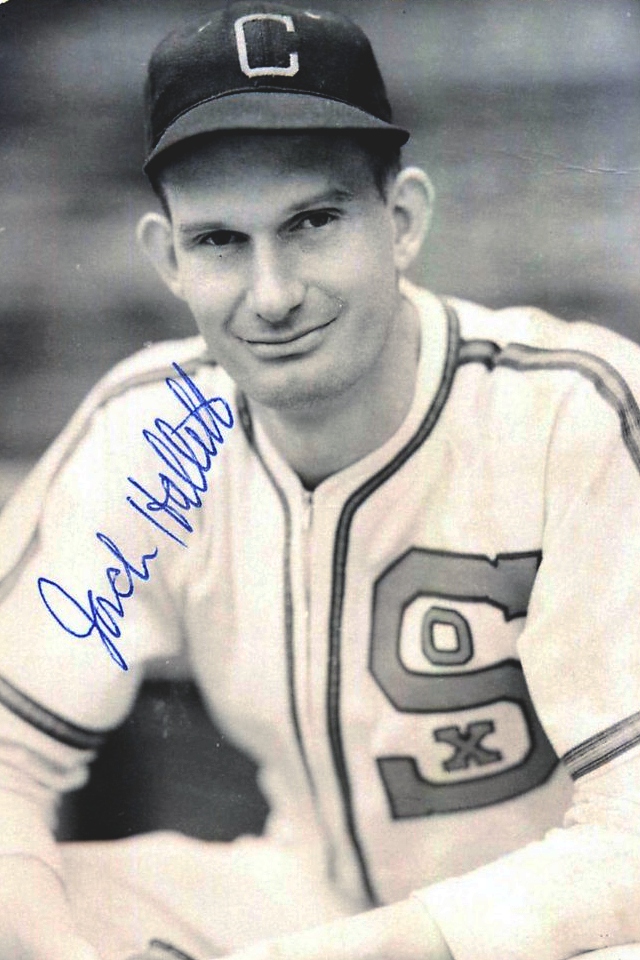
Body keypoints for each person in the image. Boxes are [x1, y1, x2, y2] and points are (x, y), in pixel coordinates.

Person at [0, 2, 640, 959]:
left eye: (313, 221)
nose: (272, 294)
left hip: (545, 925)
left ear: (402, 220)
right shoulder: (152, 434)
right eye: (220, 240)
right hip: (305, 900)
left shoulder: (571, 411)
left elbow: (632, 839)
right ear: (168, 258)